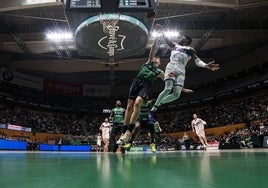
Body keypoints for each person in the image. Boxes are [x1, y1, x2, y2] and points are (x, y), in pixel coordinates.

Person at [149, 24, 220, 122]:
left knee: (176, 95)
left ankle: (158, 103)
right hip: (172, 68)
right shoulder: (174, 45)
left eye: (182, 37)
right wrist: (162, 30)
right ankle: (153, 109)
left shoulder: (191, 50)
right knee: (168, 89)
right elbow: (166, 38)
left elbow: (197, 61)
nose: (179, 38)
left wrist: (206, 65)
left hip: (181, 71)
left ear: (186, 40)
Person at [116, 34, 165, 146]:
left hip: (146, 85)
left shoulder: (160, 72)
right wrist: (157, 39)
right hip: (136, 82)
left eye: (158, 58)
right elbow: (153, 49)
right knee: (129, 106)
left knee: (137, 103)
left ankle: (129, 130)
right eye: (155, 57)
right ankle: (124, 132)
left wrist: (181, 88)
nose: (156, 58)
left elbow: (169, 81)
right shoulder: (148, 62)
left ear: (159, 62)